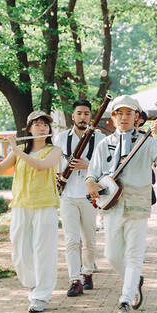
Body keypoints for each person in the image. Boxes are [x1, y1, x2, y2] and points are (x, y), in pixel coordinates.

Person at [85, 95, 157, 313]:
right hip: (111, 205)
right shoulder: (104, 144)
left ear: (137, 117)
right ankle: (134, 280)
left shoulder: (147, 141)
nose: (124, 118)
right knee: (112, 254)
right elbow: (92, 174)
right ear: (113, 117)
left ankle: (125, 300)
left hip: (138, 204)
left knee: (134, 255)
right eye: (120, 113)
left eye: (129, 113)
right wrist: (90, 184)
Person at [0, 111, 61, 313]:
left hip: (45, 205)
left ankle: (41, 295)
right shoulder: (19, 149)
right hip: (21, 205)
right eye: (37, 124)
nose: (41, 128)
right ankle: (34, 283)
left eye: (45, 125)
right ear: (29, 129)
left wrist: (16, 151)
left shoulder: (54, 150)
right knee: (20, 249)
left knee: (43, 250)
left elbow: (40, 166)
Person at [55, 99, 105, 297]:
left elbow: (106, 168)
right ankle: (74, 280)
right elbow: (55, 164)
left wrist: (88, 165)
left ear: (90, 116)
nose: (82, 117)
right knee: (71, 240)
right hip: (67, 195)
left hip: (88, 195)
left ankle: (87, 272)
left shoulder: (100, 138)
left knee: (89, 240)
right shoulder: (60, 138)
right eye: (79, 113)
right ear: (73, 116)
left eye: (86, 113)